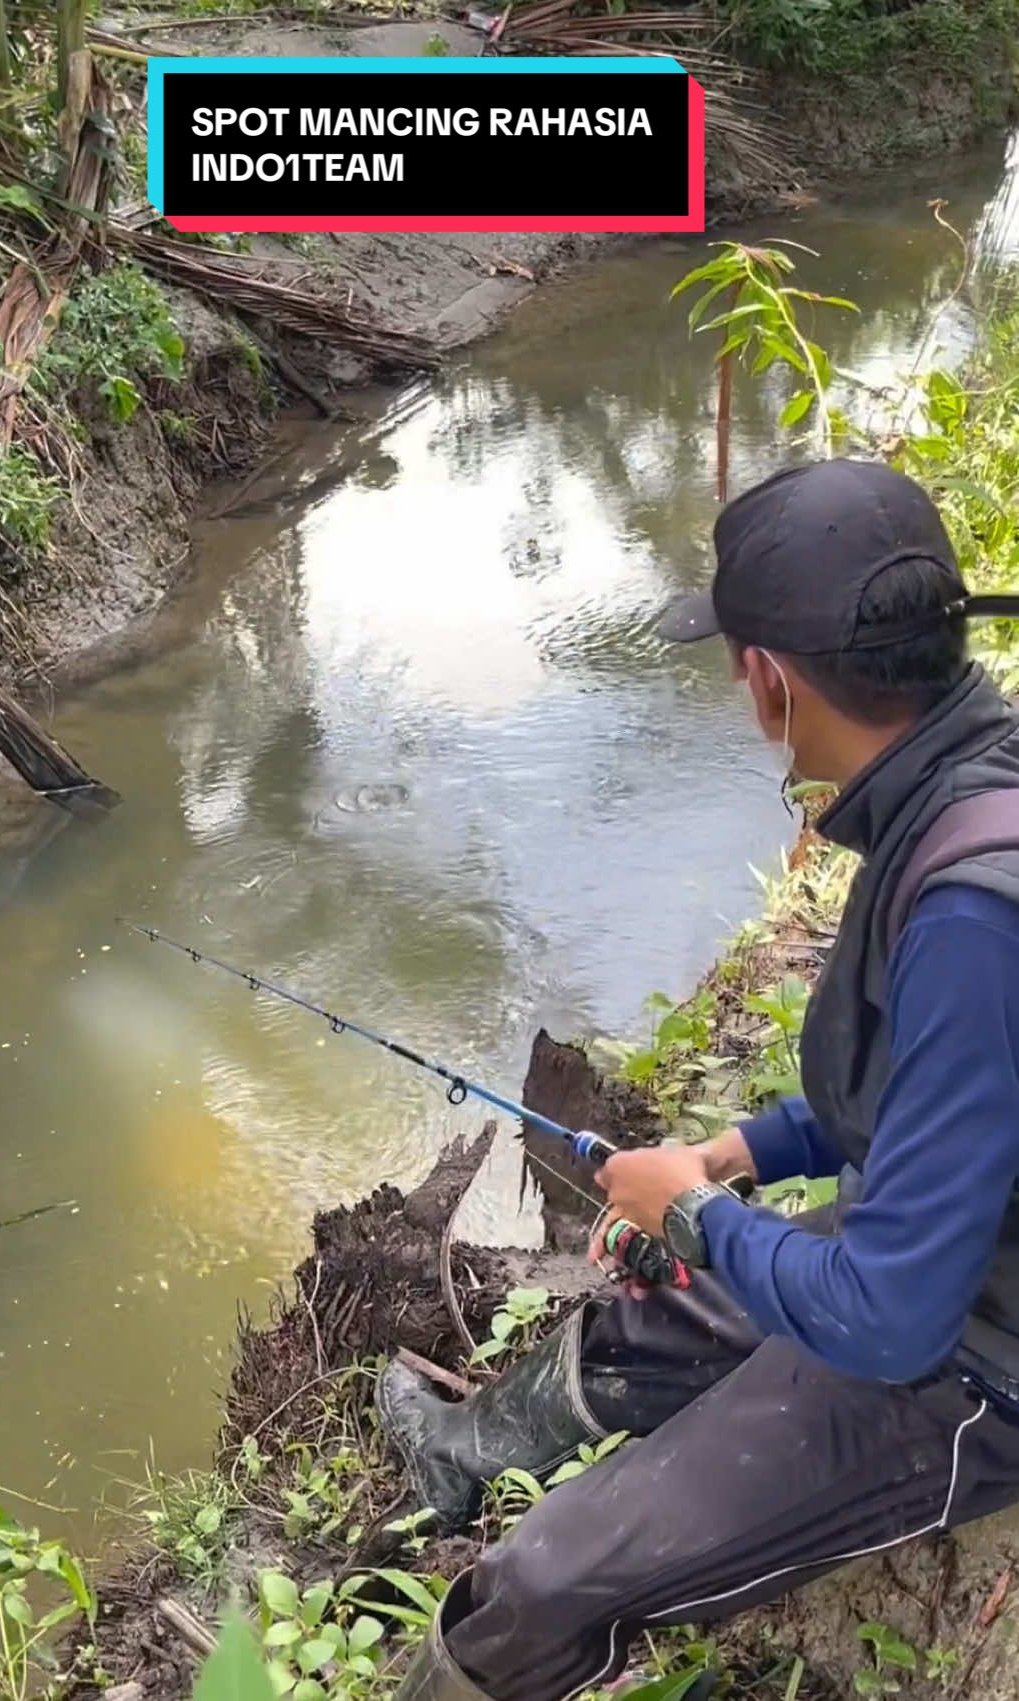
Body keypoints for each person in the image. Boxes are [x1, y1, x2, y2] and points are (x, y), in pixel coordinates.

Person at [377, 457, 1019, 1701]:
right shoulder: (965, 793)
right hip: (974, 1244)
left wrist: (691, 1210)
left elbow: (890, 1323)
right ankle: (458, 1452)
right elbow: (939, 1087)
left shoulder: (970, 909)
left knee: (541, 1587)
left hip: (977, 1360)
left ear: (768, 680)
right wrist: (738, 1158)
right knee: (656, 1315)